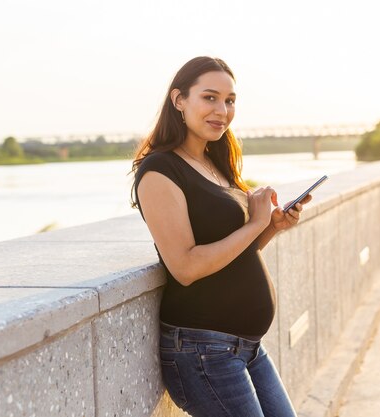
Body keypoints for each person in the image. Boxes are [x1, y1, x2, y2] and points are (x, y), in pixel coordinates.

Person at [130, 56, 310, 416]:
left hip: (246, 347)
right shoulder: (159, 170)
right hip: (202, 350)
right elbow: (185, 266)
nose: (222, 110)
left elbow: (234, 253)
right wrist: (255, 223)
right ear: (179, 100)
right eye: (209, 98)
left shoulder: (216, 163)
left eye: (229, 101)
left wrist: (271, 225)